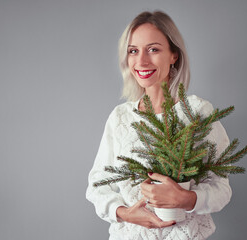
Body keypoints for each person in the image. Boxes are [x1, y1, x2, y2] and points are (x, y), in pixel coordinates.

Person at [86, 11, 232, 240]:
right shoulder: (121, 118)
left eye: (153, 49)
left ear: (174, 54)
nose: (141, 61)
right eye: (133, 51)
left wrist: (187, 200)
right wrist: (126, 214)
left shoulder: (197, 113)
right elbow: (97, 186)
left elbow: (221, 188)